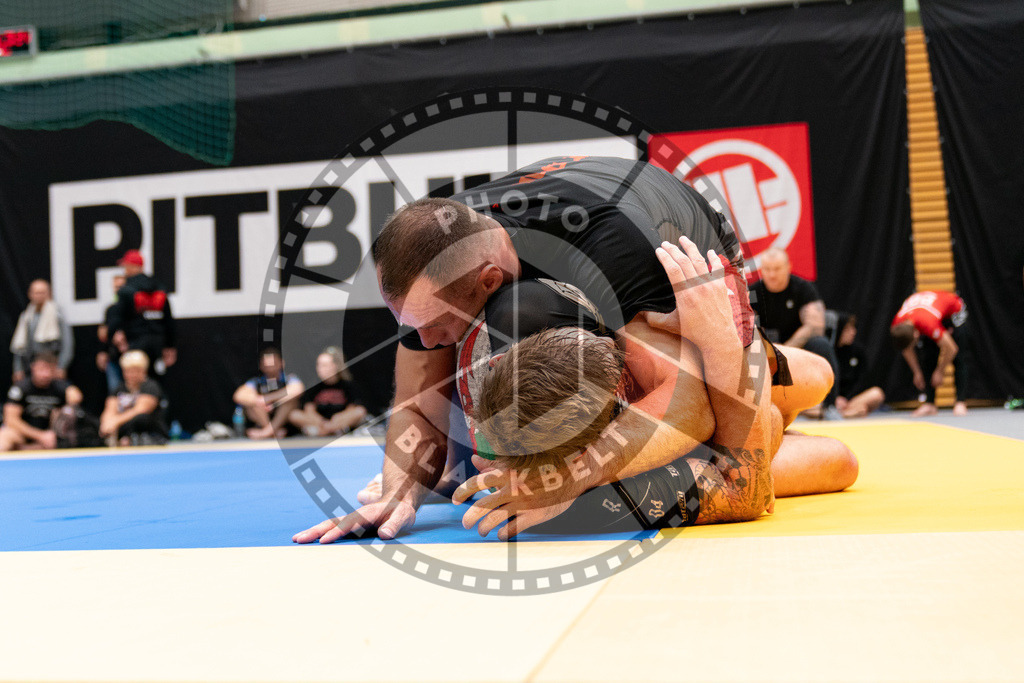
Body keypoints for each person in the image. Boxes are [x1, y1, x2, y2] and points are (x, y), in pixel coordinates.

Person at [294, 155, 831, 543]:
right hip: (582, 233)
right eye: (410, 328)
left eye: (432, 327)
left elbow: (688, 402)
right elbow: (416, 396)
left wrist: (564, 479)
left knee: (732, 420)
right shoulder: (441, 244)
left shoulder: (619, 264)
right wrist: (399, 491)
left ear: (487, 279)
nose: (424, 342)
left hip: (668, 241)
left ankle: (784, 369)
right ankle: (781, 380)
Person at [749, 248, 841, 419]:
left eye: (777, 269)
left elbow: (815, 325)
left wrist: (786, 350)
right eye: (767, 270)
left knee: (821, 344)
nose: (772, 275)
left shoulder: (803, 288)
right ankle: (754, 408)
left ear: (788, 267)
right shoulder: (753, 292)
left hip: (798, 344)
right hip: (768, 346)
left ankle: (828, 406)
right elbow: (746, 327)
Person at [890, 290, 970, 416]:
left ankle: (960, 402)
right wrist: (916, 372)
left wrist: (940, 371)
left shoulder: (928, 323)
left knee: (959, 357)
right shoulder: (897, 324)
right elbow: (906, 348)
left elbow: (952, 349)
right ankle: (930, 403)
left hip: (953, 310)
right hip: (928, 312)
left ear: (916, 334)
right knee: (928, 356)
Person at [106, 250, 177, 377]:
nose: (124, 269)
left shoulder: (126, 290)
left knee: (136, 382)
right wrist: (169, 346)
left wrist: (117, 335)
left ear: (132, 266)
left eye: (125, 266)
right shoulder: (159, 287)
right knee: (157, 381)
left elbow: (117, 318)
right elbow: (168, 320)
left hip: (135, 344)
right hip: (158, 344)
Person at [1, 352, 83, 452]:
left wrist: (69, 405)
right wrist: (40, 435)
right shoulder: (21, 388)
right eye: (42, 369)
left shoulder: (59, 386)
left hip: (51, 436)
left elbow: (75, 396)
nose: (45, 374)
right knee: (4, 437)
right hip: (24, 434)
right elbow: (10, 419)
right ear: (33, 367)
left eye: (49, 370)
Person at [289, 347, 368, 437]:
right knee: (294, 414)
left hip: (338, 420)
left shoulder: (347, 385)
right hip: (319, 422)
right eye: (318, 365)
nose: (320, 369)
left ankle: (329, 430)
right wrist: (322, 422)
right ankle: (330, 430)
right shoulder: (314, 386)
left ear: (336, 366)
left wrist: (335, 420)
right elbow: (309, 410)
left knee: (360, 411)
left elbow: (351, 408)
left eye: (324, 365)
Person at [99, 350, 169, 446]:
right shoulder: (119, 388)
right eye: (128, 371)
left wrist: (115, 422)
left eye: (135, 371)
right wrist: (106, 423)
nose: (131, 375)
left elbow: (141, 410)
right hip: (123, 430)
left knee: (140, 419)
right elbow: (110, 409)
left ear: (143, 371)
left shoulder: (150, 386)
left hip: (148, 432)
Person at [9, 280, 74, 384]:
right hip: (30, 366)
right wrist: (18, 369)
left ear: (49, 293)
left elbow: (67, 343)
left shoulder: (57, 315)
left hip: (52, 365)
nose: (39, 296)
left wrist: (62, 366)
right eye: (36, 293)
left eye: (42, 292)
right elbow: (19, 346)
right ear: (30, 294)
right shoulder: (26, 317)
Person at [233, 346, 305, 439]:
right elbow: (239, 395)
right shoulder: (257, 381)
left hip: (285, 419)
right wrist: (258, 400)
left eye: (273, 364)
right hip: (264, 417)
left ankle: (268, 432)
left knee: (291, 402)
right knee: (253, 403)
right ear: (261, 365)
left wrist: (270, 400)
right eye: (267, 365)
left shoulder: (289, 378)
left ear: (281, 363)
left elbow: (298, 389)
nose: (270, 368)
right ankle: (271, 431)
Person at [832, 313, 886, 418]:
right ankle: (849, 413)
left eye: (853, 328)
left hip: (851, 401)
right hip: (831, 400)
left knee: (877, 393)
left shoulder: (858, 352)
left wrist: (846, 399)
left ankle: (845, 412)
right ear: (839, 330)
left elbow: (863, 380)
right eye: (847, 330)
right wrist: (835, 398)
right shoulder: (829, 351)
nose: (853, 332)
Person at [96, 274, 127, 395]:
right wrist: (103, 352)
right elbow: (103, 334)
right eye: (116, 287)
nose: (119, 289)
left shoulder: (135, 308)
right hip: (113, 358)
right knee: (114, 392)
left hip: (131, 358)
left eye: (122, 286)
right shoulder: (110, 309)